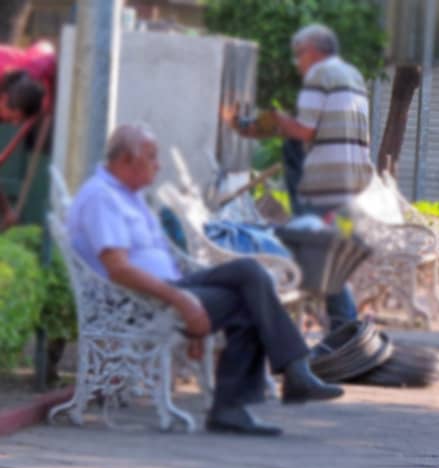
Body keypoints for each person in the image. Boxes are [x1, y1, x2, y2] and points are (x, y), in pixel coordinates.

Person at [68, 123, 344, 436]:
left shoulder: (129, 196)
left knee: (251, 273)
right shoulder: (102, 198)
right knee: (249, 301)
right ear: (127, 161)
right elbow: (118, 269)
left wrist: (189, 301)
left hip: (170, 287)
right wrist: (182, 301)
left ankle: (290, 373)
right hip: (140, 300)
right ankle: (245, 400)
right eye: (152, 157)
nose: (158, 165)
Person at [223, 23, 371, 329]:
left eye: (298, 55)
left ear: (313, 51)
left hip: (325, 184)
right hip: (351, 181)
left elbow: (304, 130)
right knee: (331, 258)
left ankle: (347, 330)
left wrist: (267, 121)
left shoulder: (319, 75)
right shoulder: (351, 74)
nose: (298, 64)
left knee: (322, 260)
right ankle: (345, 329)